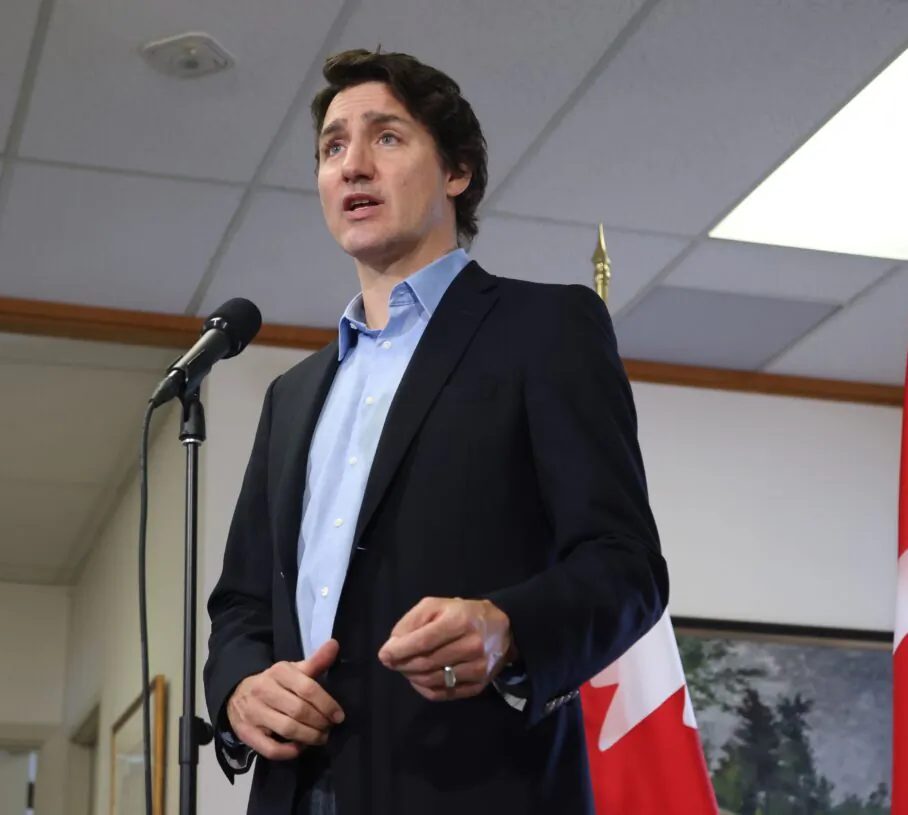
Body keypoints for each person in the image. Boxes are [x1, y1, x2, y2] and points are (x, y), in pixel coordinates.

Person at [202, 48, 669, 815]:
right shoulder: (293, 395)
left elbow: (627, 565)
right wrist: (240, 690)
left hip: (472, 787)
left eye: (385, 137)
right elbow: (244, 605)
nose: (352, 164)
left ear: (456, 170)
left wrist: (508, 626)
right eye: (331, 147)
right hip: (292, 793)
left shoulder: (546, 330)